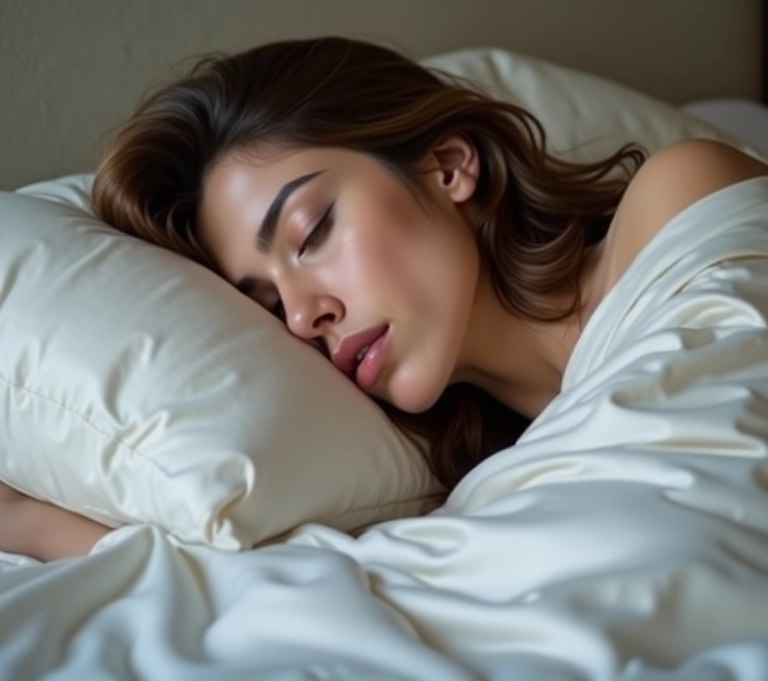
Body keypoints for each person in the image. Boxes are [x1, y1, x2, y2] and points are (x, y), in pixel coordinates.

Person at [2, 36, 767, 562]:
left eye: (311, 232)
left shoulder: (680, 198)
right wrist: (35, 525)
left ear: (449, 165)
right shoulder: (459, 488)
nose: (302, 316)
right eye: (266, 303)